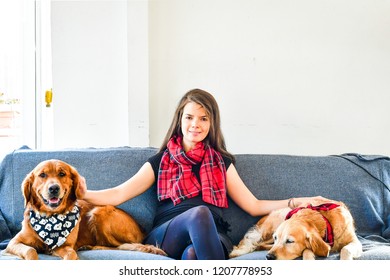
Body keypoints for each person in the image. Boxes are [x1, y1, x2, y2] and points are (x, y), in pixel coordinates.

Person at [80, 88, 324, 260]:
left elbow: (253, 205)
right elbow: (119, 193)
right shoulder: (161, 160)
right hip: (167, 233)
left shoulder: (222, 161)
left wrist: (294, 202)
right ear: (180, 120)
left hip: (214, 235)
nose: (195, 124)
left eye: (203, 118)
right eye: (189, 117)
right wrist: (80, 193)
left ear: (211, 124)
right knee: (199, 213)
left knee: (193, 255)